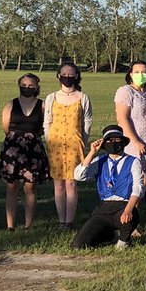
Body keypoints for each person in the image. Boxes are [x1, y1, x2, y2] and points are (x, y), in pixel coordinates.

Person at [71, 125, 143, 250]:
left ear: (123, 142)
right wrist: (92, 153)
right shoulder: (99, 161)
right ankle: (110, 236)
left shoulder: (133, 161)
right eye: (109, 141)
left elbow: (138, 188)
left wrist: (128, 209)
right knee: (79, 245)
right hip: (104, 208)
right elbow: (79, 176)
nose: (113, 143)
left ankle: (124, 239)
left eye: (116, 140)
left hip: (124, 205)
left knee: (130, 217)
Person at [44, 62, 92, 231]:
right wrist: (50, 140)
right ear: (58, 76)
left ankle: (70, 221)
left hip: (74, 144)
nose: (68, 77)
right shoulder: (52, 98)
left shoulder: (82, 97)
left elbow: (87, 121)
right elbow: (47, 122)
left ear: (77, 76)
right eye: (64, 74)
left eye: (71, 74)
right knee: (58, 183)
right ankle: (61, 220)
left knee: (71, 182)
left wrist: (82, 141)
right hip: (55, 144)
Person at [0, 73, 50, 230]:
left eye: (30, 85)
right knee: (12, 186)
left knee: (30, 186)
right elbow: (6, 128)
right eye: (24, 85)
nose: (27, 88)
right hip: (13, 149)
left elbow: (45, 127)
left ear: (36, 87)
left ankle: (29, 225)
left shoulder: (43, 106)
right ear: (19, 85)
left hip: (33, 149)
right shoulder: (10, 105)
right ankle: (10, 225)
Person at [114, 61, 146, 161]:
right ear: (131, 74)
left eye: (144, 72)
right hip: (133, 141)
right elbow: (122, 119)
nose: (140, 75)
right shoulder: (126, 91)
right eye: (137, 72)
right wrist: (136, 141)